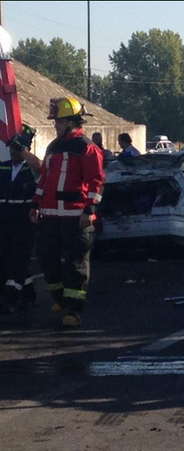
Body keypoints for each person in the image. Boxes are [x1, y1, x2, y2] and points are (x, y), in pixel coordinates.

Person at [29, 97, 105, 327]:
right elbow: (44, 178)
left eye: (59, 121)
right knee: (46, 257)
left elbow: (96, 182)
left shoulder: (87, 148)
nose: (55, 125)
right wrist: (35, 204)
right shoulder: (53, 147)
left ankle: (73, 309)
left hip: (75, 216)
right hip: (51, 216)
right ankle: (59, 299)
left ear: (72, 123)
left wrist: (88, 210)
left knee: (76, 263)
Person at [0, 125, 41, 313]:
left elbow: (39, 168)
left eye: (16, 148)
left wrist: (24, 149)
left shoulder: (32, 168)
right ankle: (29, 294)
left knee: (18, 259)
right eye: (12, 148)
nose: (13, 151)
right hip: (5, 220)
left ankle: (10, 298)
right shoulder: (4, 166)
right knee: (7, 258)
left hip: (25, 222)